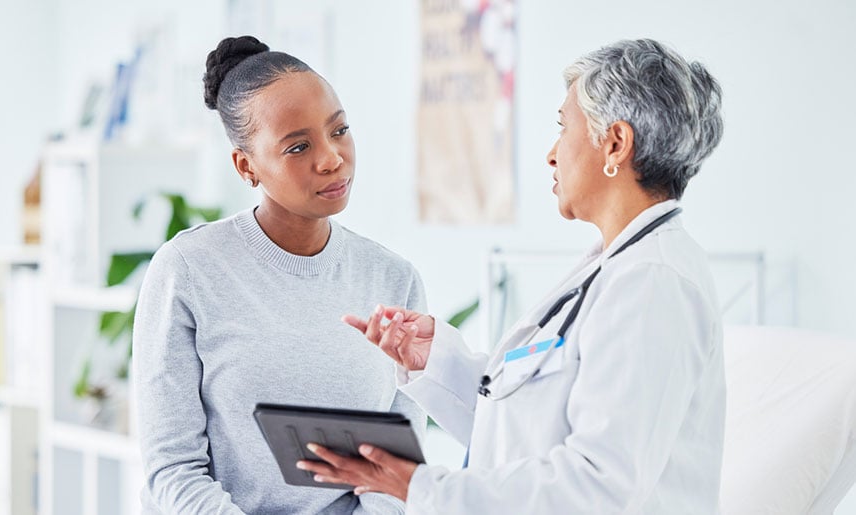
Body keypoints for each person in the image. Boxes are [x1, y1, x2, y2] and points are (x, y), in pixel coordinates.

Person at [299, 38, 726, 514]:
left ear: (615, 144)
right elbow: (524, 431)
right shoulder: (615, 268)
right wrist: (437, 360)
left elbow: (599, 486)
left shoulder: (653, 283)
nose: (552, 154)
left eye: (563, 127)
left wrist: (420, 487)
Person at [132, 35, 427, 514]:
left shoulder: (395, 279)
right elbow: (172, 468)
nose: (331, 158)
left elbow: (397, 472)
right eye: (298, 147)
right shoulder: (187, 270)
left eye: (339, 130)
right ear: (246, 166)